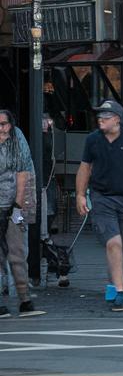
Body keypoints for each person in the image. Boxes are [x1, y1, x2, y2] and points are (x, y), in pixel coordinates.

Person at [75, 100, 123, 312]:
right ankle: (120, 291)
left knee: (121, 245)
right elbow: (85, 168)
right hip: (101, 197)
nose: (100, 119)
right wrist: (80, 195)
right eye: (99, 116)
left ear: (117, 119)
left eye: (105, 116)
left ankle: (118, 286)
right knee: (113, 243)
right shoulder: (93, 140)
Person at [0, 110, 42, 317]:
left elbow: (23, 172)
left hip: (12, 204)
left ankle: (25, 300)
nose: (1, 129)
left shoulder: (17, 139)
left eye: (4, 124)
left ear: (10, 124)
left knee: (16, 251)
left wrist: (18, 206)